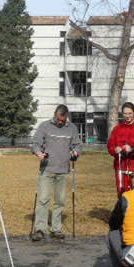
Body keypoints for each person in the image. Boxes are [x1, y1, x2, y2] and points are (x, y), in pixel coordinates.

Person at [31, 104, 81, 242]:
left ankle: (56, 229)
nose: (60, 122)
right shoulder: (44, 126)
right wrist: (38, 153)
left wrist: (76, 152)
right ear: (55, 115)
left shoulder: (72, 128)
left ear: (66, 117)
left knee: (60, 201)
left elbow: (77, 145)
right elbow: (35, 143)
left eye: (62, 120)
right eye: (58, 119)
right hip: (47, 169)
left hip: (63, 170)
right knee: (43, 200)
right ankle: (40, 229)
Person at [107, 102, 134, 197]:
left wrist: (133, 149)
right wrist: (115, 149)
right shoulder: (117, 129)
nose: (127, 116)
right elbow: (110, 146)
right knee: (122, 195)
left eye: (130, 113)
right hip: (121, 168)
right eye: (125, 113)